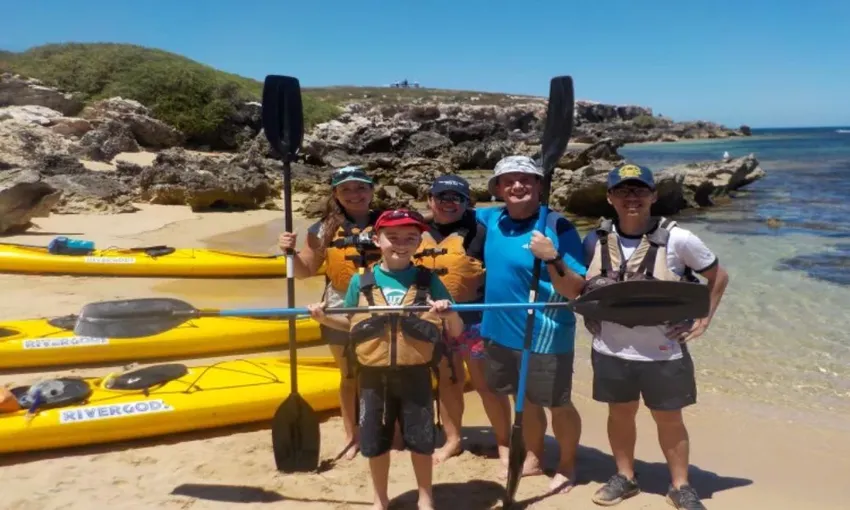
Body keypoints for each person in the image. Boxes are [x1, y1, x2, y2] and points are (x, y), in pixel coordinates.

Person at [582, 164, 729, 510]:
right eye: (623, 191)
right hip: (609, 348)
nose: (631, 198)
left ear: (653, 196)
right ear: (610, 197)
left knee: (669, 419)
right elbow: (584, 286)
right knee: (619, 414)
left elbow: (719, 277)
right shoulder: (595, 239)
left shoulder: (680, 239)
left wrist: (703, 319)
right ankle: (625, 476)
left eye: (639, 190)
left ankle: (680, 485)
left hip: (663, 351)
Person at [306, 208, 464, 510]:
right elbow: (351, 324)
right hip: (372, 377)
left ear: (419, 242)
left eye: (409, 238)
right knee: (376, 442)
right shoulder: (360, 281)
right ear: (377, 240)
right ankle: (380, 499)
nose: (400, 244)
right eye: (392, 237)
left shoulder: (428, 281)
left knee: (421, 440)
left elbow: (455, 331)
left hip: (416, 374)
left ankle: (425, 498)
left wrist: (450, 312)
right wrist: (324, 317)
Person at [474, 155, 588, 493]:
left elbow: (575, 289)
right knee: (521, 399)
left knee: (558, 402)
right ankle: (535, 458)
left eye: (526, 179)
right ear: (497, 189)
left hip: (544, 334)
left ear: (539, 185)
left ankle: (567, 464)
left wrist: (551, 256)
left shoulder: (557, 226)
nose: (517, 185)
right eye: (508, 180)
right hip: (498, 330)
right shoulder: (491, 219)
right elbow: (447, 215)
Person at [278, 165, 382, 461]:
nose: (354, 194)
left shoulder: (387, 222)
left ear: (372, 189)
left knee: (383, 370)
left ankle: (385, 430)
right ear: (335, 194)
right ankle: (352, 436)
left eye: (361, 187)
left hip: (382, 299)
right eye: (346, 189)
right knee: (349, 374)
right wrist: (289, 253)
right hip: (339, 302)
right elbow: (304, 271)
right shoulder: (322, 229)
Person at [412, 174, 496, 464]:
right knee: (450, 380)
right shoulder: (415, 231)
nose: (449, 203)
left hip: (474, 320)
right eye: (442, 197)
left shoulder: (482, 232)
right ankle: (453, 439)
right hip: (434, 321)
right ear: (430, 200)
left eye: (456, 198)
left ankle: (505, 440)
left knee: (486, 383)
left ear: (466, 202)